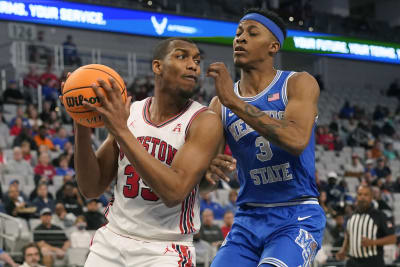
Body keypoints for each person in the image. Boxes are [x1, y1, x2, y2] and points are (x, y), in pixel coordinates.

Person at [67, 37, 225, 266]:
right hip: (112, 240)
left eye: (197, 60)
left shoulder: (203, 121)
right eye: (182, 56)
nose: (193, 65)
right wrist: (80, 119)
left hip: (165, 248)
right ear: (157, 66)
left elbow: (174, 192)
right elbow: (91, 188)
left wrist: (122, 131)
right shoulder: (131, 112)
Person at [206, 8, 326, 267]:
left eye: (251, 32)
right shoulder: (220, 103)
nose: (240, 38)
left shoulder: (297, 83)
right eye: (238, 33)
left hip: (297, 214)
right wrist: (207, 171)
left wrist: (235, 102)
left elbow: (296, 141)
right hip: (247, 218)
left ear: (273, 46)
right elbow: (207, 184)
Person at [336, 185, 396, 267]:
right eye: (360, 194)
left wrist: (372, 242)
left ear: (371, 197)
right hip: (353, 262)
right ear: (357, 197)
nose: (362, 197)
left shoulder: (379, 216)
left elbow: (392, 239)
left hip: (372, 262)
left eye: (366, 195)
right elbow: (348, 236)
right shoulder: (350, 216)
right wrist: (343, 250)